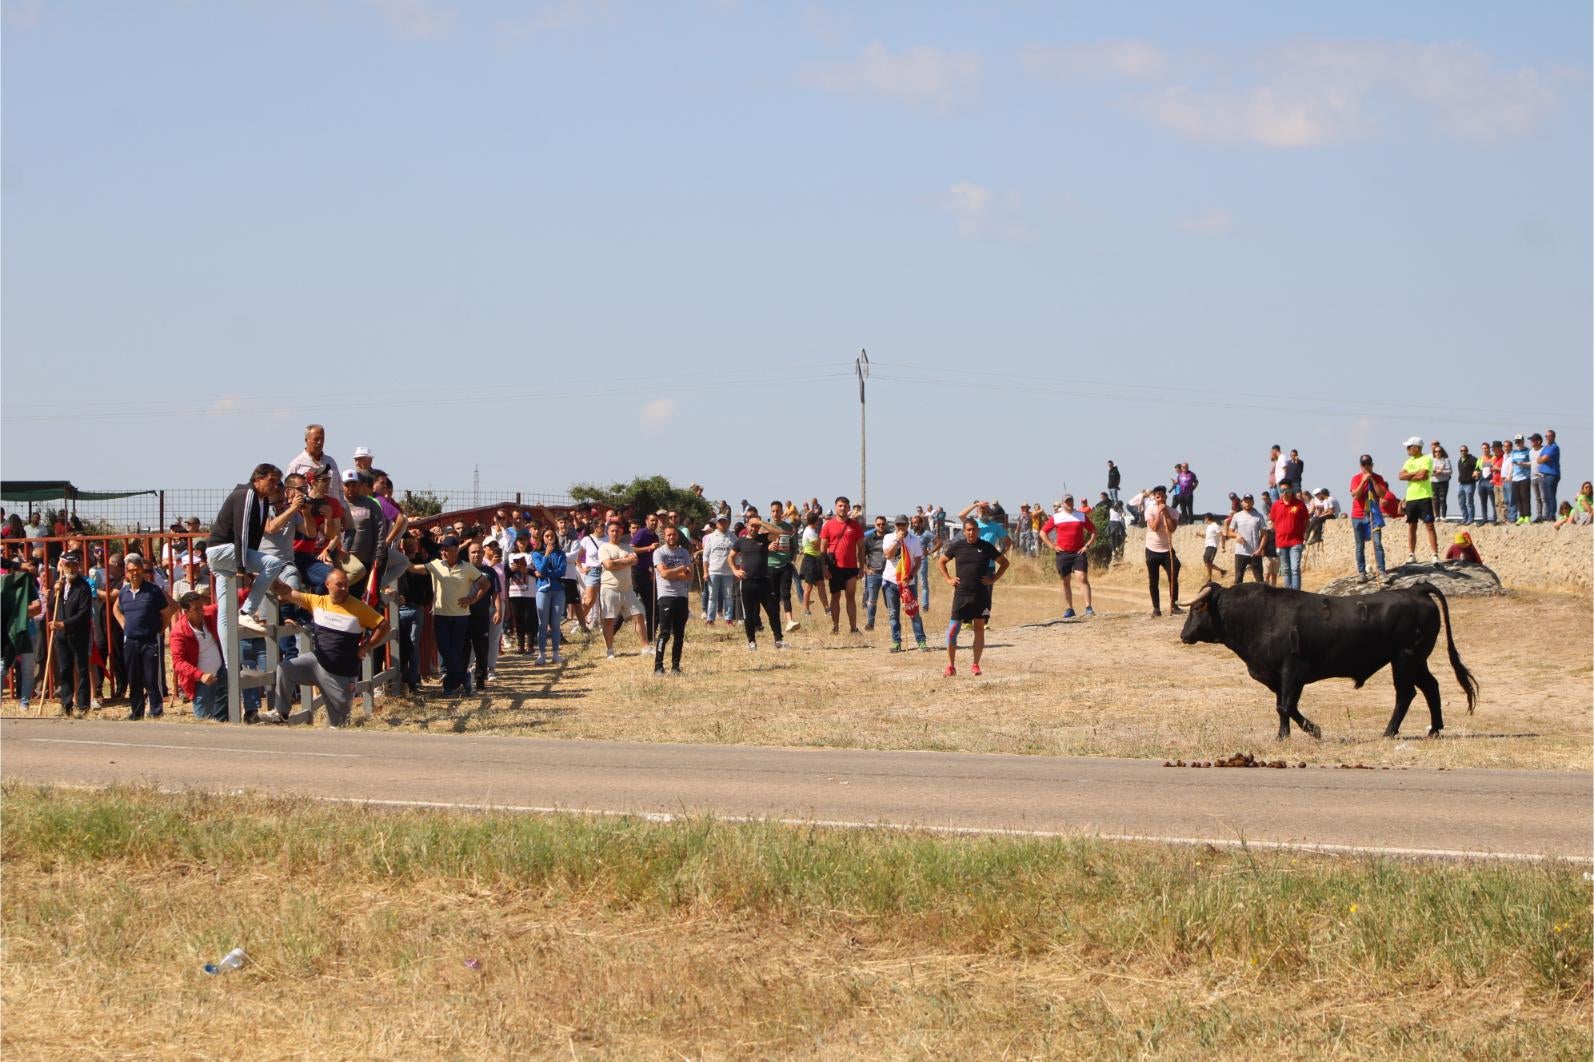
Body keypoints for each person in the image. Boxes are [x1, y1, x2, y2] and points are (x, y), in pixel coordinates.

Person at [265, 568, 388, 728]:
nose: (344, 588)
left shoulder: (359, 608)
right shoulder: (317, 601)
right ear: (327, 584)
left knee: (339, 725)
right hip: (316, 663)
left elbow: (383, 625)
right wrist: (263, 576)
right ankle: (280, 713)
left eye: (346, 585)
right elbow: (287, 592)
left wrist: (365, 647)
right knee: (286, 668)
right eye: (339, 585)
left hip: (341, 674)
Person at [410, 535, 486, 697]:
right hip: (441, 615)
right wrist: (397, 558)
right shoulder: (435, 565)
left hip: (461, 616)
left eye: (446, 549)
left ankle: (450, 686)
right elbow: (413, 568)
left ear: (456, 550)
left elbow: (485, 584)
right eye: (442, 549)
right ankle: (464, 676)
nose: (443, 552)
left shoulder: (468, 568)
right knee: (444, 648)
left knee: (456, 651)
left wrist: (472, 599)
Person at [939, 518, 1008, 677]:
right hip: (961, 595)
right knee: (952, 631)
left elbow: (1004, 563)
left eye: (974, 529)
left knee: (978, 630)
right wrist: (948, 578)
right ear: (964, 531)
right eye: (968, 530)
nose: (971, 532)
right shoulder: (957, 546)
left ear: (978, 531)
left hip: (980, 595)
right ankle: (951, 666)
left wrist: (993, 579)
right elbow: (941, 562)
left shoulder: (986, 546)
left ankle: (976, 665)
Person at [112, 553, 175, 720]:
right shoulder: (124, 592)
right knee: (134, 677)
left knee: (151, 677)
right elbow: (115, 609)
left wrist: (161, 628)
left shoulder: (153, 590)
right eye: (130, 570)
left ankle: (156, 710)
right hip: (131, 641)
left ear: (142, 571)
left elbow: (167, 611)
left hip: (149, 640)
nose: (134, 573)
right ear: (126, 572)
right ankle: (137, 711)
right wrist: (124, 625)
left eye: (137, 570)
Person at [171, 591, 231, 721]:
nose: (201, 611)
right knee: (204, 723)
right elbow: (178, 663)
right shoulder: (179, 632)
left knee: (223, 721)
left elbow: (228, 602)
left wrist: (248, 588)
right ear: (186, 612)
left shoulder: (208, 615)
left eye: (201, 607)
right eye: (196, 609)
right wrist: (200, 675)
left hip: (221, 674)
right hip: (201, 682)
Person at [730, 512, 784, 651]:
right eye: (752, 526)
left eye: (756, 526)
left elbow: (779, 532)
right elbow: (730, 557)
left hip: (764, 582)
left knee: (773, 611)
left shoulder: (763, 538)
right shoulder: (740, 542)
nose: (754, 528)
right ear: (747, 526)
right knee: (749, 614)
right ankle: (751, 641)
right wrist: (735, 571)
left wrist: (761, 523)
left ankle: (778, 640)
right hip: (747, 582)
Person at [49, 554, 95, 717]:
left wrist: (64, 624)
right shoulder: (59, 586)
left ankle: (83, 706)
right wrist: (55, 593)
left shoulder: (83, 587)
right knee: (65, 670)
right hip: (61, 636)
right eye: (68, 565)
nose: (71, 568)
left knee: (81, 669)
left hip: (78, 635)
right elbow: (51, 606)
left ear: (78, 566)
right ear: (62, 566)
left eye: (74, 565)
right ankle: (66, 705)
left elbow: (84, 613)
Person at [598, 517, 648, 659]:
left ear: (622, 532)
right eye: (612, 531)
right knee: (608, 619)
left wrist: (616, 562)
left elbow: (635, 560)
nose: (615, 533)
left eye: (618, 531)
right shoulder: (604, 547)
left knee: (639, 615)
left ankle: (646, 647)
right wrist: (626, 561)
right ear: (608, 532)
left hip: (628, 589)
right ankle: (610, 650)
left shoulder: (628, 547)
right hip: (609, 588)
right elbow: (608, 565)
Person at [1039, 495, 1095, 619]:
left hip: (1078, 552)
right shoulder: (1056, 517)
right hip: (1063, 553)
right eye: (1067, 501)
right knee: (1065, 581)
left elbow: (1094, 531)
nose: (1069, 503)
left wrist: (1087, 546)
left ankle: (1088, 607)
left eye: (1071, 500)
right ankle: (1069, 609)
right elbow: (1042, 533)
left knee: (1082, 578)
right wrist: (1052, 546)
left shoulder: (1081, 515)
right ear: (1063, 504)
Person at [881, 514, 928, 652]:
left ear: (908, 525)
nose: (901, 527)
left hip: (908, 582)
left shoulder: (914, 540)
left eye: (903, 524)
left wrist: (911, 574)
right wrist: (897, 541)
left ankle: (921, 641)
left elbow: (918, 560)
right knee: (893, 613)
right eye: (898, 525)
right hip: (891, 580)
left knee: (913, 611)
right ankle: (896, 641)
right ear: (895, 526)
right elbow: (888, 555)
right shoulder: (888, 537)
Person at [821, 496, 866, 635]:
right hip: (834, 567)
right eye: (840, 506)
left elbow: (861, 548)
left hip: (851, 568)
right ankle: (835, 627)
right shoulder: (828, 525)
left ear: (849, 508)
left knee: (850, 598)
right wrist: (824, 568)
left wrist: (862, 567)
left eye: (845, 506)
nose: (842, 508)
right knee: (835, 597)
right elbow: (822, 548)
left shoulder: (855, 525)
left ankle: (853, 629)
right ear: (836, 507)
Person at [652, 526, 693, 675]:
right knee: (664, 633)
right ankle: (658, 666)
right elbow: (663, 574)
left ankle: (676, 666)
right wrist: (680, 569)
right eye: (668, 535)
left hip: (682, 596)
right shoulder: (659, 552)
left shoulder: (684, 552)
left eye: (674, 535)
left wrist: (673, 573)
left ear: (678, 536)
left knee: (679, 634)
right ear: (665, 536)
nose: (671, 537)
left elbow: (689, 575)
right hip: (666, 597)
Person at [396, 532, 431, 694]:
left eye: (412, 540)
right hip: (399, 609)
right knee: (402, 645)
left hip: (417, 608)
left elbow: (428, 585)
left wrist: (426, 602)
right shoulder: (396, 560)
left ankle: (412, 680)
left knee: (413, 644)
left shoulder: (422, 563)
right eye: (406, 540)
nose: (409, 543)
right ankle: (401, 678)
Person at [1397, 436, 1440, 563]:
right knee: (1411, 526)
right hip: (1411, 497)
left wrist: (1409, 475)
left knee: (1429, 525)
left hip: (1424, 496)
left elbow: (1423, 475)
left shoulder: (1427, 458)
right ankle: (1411, 554)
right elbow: (1400, 475)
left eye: (1409, 447)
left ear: (1416, 447)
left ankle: (1435, 554)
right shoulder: (1408, 461)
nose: (1407, 449)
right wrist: (1414, 475)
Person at [530, 528, 567, 665]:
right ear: (542, 538)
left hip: (558, 590)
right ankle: (541, 654)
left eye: (552, 536)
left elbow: (561, 571)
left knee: (556, 623)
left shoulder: (561, 553)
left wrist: (545, 574)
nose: (549, 538)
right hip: (543, 590)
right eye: (546, 536)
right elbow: (540, 569)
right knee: (543, 624)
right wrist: (546, 554)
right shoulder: (536, 554)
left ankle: (556, 654)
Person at [1143, 485, 1181, 617]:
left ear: (1166, 496)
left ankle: (1174, 604)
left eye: (1162, 496)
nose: (1160, 499)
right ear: (1154, 497)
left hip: (1167, 550)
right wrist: (1159, 512)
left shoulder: (1173, 511)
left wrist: (1166, 513)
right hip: (1152, 549)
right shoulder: (1149, 510)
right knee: (1154, 580)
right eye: (1157, 496)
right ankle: (1156, 608)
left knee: (1173, 575)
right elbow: (1154, 527)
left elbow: (1171, 529)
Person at [765, 500, 800, 633]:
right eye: (773, 511)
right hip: (770, 566)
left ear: (782, 512)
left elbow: (794, 546)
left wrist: (792, 560)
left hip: (785, 565)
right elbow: (759, 546)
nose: (776, 513)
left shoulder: (789, 528)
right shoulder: (765, 528)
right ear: (771, 512)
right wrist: (768, 547)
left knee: (786, 594)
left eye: (778, 511)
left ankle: (790, 621)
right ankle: (775, 622)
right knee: (773, 596)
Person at [1269, 481, 1310, 591]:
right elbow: (1272, 521)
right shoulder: (1276, 505)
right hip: (1281, 542)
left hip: (1296, 541)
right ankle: (1288, 593)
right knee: (1286, 569)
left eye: (1287, 489)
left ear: (1291, 490)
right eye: (1282, 490)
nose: (1284, 492)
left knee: (1295, 568)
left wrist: (1304, 534)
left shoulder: (1300, 504)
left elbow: (1307, 521)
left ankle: (1296, 593)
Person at [700, 515, 736, 627]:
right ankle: (710, 619)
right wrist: (705, 572)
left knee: (729, 596)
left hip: (728, 572)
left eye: (724, 522)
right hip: (714, 571)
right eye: (720, 522)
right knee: (712, 596)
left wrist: (736, 571)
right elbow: (705, 557)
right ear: (716, 524)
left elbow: (737, 556)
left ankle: (729, 619)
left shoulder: (733, 537)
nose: (722, 524)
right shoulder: (711, 537)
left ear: (728, 523)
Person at [631, 512, 660, 641]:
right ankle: (610, 631)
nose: (654, 523)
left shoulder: (655, 536)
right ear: (646, 521)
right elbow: (631, 549)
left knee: (653, 607)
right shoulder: (642, 533)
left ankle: (650, 637)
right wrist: (648, 547)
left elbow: (654, 556)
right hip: (636, 572)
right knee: (629, 603)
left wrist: (653, 571)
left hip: (648, 573)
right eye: (652, 520)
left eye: (656, 521)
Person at [506, 536, 537, 655]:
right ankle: (520, 646)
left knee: (529, 619)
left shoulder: (532, 555)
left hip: (529, 592)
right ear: (516, 543)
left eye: (524, 540)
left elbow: (537, 573)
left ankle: (530, 645)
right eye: (520, 541)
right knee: (518, 619)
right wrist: (512, 570)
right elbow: (506, 574)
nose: (522, 543)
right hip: (514, 592)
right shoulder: (510, 556)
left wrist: (527, 571)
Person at [1226, 495, 1265, 585]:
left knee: (1260, 580)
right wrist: (1237, 535)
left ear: (1253, 502)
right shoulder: (1237, 516)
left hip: (1255, 553)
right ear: (1242, 503)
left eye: (1249, 501)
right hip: (1240, 552)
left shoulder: (1259, 516)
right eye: (1245, 501)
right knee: (1238, 579)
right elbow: (1229, 532)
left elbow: (1264, 534)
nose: (1247, 503)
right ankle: (1236, 599)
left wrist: (1260, 549)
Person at [798, 511, 829, 616]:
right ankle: (806, 610)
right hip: (810, 560)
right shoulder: (810, 532)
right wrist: (824, 540)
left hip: (816, 560)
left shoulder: (812, 531)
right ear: (816, 521)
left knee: (821, 585)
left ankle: (827, 609)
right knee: (808, 587)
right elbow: (817, 545)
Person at [861, 515, 889, 631]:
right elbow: (861, 556)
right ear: (875, 525)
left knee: (890, 601)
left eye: (883, 524)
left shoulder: (890, 537)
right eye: (878, 524)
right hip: (874, 574)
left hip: (888, 575)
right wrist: (866, 570)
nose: (881, 526)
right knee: (872, 600)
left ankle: (893, 623)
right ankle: (870, 623)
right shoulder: (868, 539)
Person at [1535, 429, 1561, 523]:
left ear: (1553, 437)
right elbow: (1538, 459)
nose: (1548, 438)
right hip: (1544, 475)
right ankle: (1548, 514)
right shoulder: (1546, 447)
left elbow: (1544, 458)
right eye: (1546, 436)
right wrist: (1543, 459)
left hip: (1552, 474)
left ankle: (1552, 515)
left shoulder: (1554, 447)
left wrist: (1543, 459)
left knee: (1551, 495)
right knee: (1545, 496)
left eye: (1549, 436)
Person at [1508, 434, 1532, 524]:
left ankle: (1527, 516)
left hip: (1524, 477)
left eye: (1519, 442)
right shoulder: (1513, 452)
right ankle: (1521, 515)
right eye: (1516, 442)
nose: (1518, 444)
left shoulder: (1528, 451)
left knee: (1525, 497)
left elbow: (1532, 463)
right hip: (1515, 478)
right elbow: (1511, 464)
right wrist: (1509, 475)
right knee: (1517, 498)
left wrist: (1523, 464)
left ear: (1523, 441)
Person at [1455, 444, 1479, 526]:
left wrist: (1476, 474)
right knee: (1461, 502)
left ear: (1467, 451)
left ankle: (1470, 519)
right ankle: (1465, 518)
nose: (1463, 452)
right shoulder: (1460, 460)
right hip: (1461, 484)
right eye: (1461, 450)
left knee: (1469, 502)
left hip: (1470, 484)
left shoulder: (1472, 459)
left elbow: (1479, 466)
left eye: (1465, 450)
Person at [1200, 512, 1227, 582]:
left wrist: (1223, 547)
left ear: (1207, 518)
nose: (1204, 520)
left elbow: (1221, 535)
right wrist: (1200, 535)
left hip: (1213, 546)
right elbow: (1207, 536)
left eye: (1204, 519)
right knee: (1207, 562)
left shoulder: (1215, 525)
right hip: (1208, 546)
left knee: (1207, 561)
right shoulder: (1209, 526)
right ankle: (1222, 571)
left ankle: (1210, 579)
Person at [1429, 442, 1452, 521]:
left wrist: (1441, 472)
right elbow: (1429, 471)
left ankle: (1443, 516)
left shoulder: (1446, 460)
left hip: (1443, 482)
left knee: (1443, 499)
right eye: (1436, 451)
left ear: (1442, 452)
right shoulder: (1432, 460)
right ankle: (1437, 516)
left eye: (1439, 451)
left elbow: (1450, 471)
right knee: (1435, 499)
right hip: (1434, 482)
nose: (1437, 453)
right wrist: (1436, 472)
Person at [1475, 442, 1495, 524]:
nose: (1485, 450)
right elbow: (1477, 469)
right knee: (1483, 501)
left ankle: (1495, 518)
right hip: (1482, 482)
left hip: (1490, 480)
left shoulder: (1493, 458)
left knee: (1493, 501)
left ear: (1489, 449)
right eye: (1483, 448)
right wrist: (1475, 474)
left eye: (1486, 448)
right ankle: (1484, 518)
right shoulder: (1480, 459)